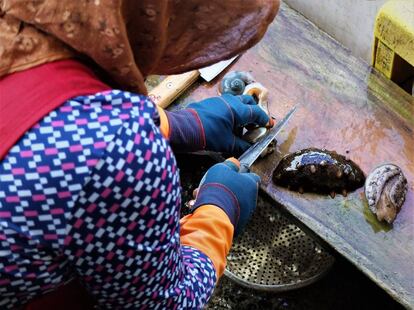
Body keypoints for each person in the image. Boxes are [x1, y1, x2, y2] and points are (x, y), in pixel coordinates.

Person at [0, 0, 280, 308]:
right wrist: (218, 214)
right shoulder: (119, 153)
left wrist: (172, 125)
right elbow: (163, 303)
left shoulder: (18, 26)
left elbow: (54, 115)